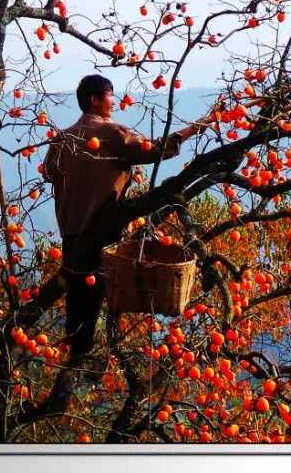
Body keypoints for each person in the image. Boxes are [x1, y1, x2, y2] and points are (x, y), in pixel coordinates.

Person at [42, 74, 209, 366]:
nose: (113, 101)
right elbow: (152, 150)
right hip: (101, 228)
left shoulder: (62, 139)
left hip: (70, 231)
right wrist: (193, 129)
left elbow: (48, 173)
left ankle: (73, 356)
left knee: (76, 296)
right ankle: (83, 361)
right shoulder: (110, 132)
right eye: (109, 94)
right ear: (95, 99)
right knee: (93, 295)